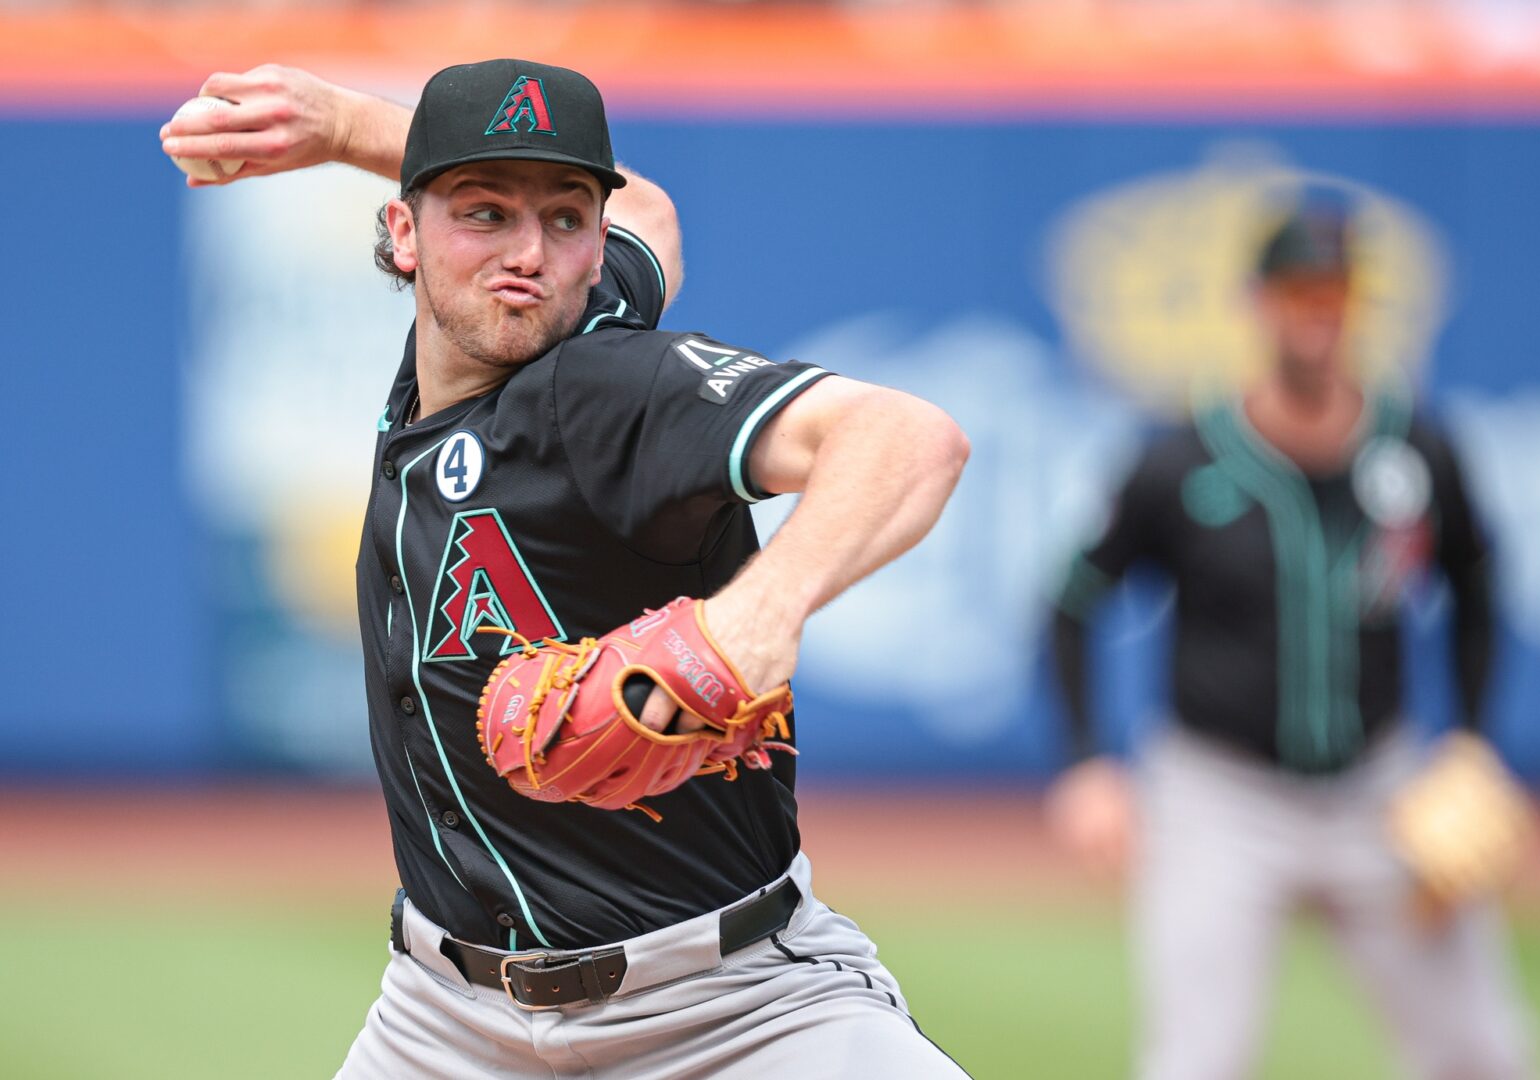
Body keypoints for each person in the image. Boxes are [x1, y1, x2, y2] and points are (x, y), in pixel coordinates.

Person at [163, 61, 971, 1078]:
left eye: (565, 219)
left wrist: (758, 615)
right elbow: (660, 214)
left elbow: (908, 437)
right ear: (401, 236)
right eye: (484, 213)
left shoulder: (604, 386)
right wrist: (342, 124)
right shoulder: (455, 370)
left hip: (731, 1014)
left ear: (595, 248)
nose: (527, 255)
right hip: (444, 1023)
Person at [1044, 194, 1537, 1080]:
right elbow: (1074, 600)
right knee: (1195, 1063)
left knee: (1483, 1055)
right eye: (1300, 289)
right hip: (1219, 799)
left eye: (1336, 290)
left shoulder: (1418, 450)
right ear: (1257, 301)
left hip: (1380, 792)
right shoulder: (1180, 460)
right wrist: (1087, 762)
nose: (1319, 310)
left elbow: (1476, 579)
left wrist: (1471, 741)